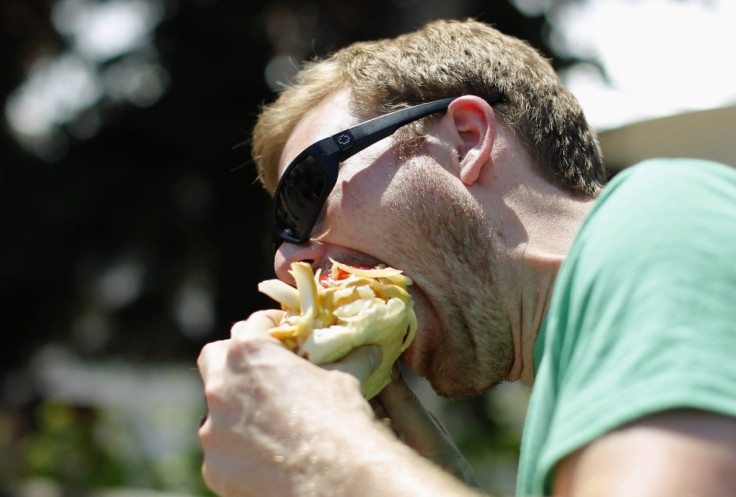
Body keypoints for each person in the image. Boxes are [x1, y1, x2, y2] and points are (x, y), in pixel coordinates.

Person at [196, 18, 736, 497]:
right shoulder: (563, 404)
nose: (288, 261)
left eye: (307, 192)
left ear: (466, 141)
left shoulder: (663, 217)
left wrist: (334, 461)